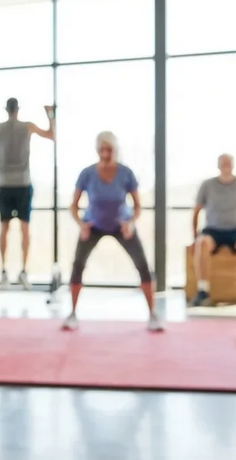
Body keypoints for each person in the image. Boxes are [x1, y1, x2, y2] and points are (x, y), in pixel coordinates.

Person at [62, 132, 164, 333]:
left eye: (109, 150)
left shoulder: (126, 173)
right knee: (78, 265)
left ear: (115, 150)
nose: (106, 153)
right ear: (97, 150)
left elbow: (137, 206)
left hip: (121, 225)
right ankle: (72, 313)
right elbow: (73, 206)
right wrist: (81, 224)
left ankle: (153, 314)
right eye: (102, 149)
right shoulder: (87, 173)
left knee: (143, 265)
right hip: (93, 225)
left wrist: (130, 223)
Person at [0, 99, 55, 289]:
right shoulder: (25, 126)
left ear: (7, 109)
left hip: (13, 184)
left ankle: (15, 272)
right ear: (17, 110)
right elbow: (52, 134)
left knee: (13, 229)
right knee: (16, 229)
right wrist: (49, 113)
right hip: (15, 184)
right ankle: (12, 272)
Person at [190, 154, 236, 307]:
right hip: (212, 230)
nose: (226, 165)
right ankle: (203, 292)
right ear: (218, 165)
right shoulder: (207, 184)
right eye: (223, 163)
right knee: (202, 243)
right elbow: (196, 211)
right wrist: (194, 237)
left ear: (233, 165)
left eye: (228, 163)